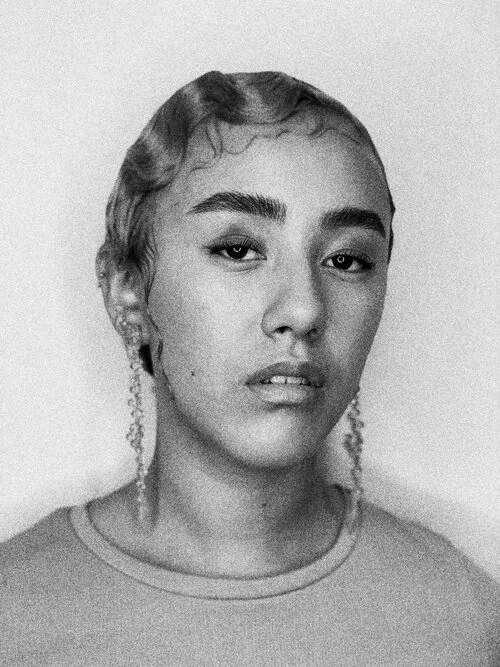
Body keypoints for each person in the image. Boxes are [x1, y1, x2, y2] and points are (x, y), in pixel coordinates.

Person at [1, 71, 499, 666]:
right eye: (238, 250)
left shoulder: (460, 618)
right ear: (127, 292)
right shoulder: (15, 615)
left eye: (347, 260)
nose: (304, 310)